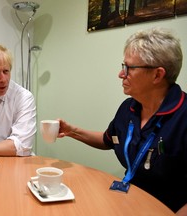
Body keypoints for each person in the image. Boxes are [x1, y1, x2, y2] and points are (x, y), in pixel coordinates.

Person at [57, 28, 187, 214]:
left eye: (129, 68)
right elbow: (108, 140)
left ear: (157, 75)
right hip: (128, 202)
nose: (121, 74)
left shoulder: (183, 117)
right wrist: (72, 131)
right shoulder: (129, 108)